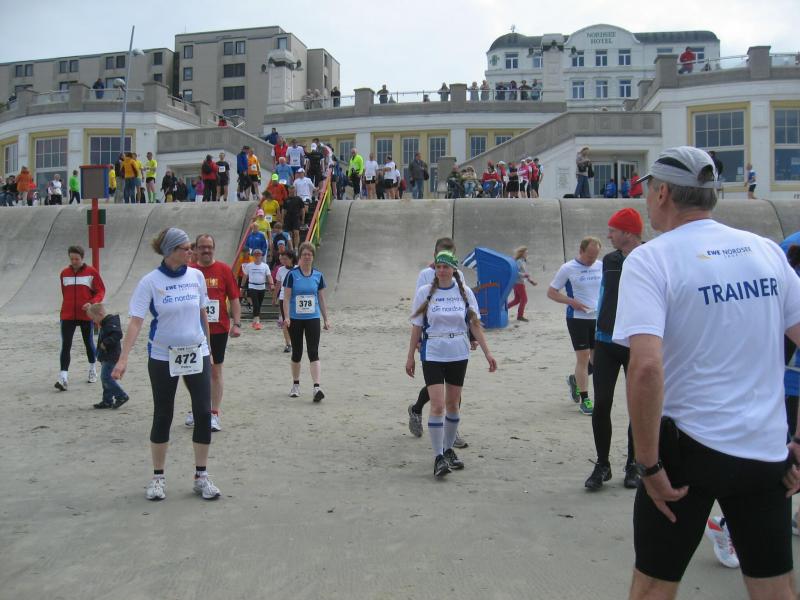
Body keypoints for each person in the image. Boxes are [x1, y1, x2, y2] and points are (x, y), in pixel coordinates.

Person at [613, 146, 800, 599]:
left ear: (662, 194)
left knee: (653, 586)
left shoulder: (651, 259)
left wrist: (648, 463)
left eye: (648, 191)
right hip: (764, 448)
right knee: (774, 587)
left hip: (686, 452)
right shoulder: (765, 251)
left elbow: (646, 368)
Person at [113, 228, 221, 502]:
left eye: (191, 247)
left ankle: (201, 476)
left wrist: (208, 350)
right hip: (163, 356)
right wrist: (123, 358)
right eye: (186, 248)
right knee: (163, 414)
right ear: (171, 251)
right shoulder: (150, 282)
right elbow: (136, 322)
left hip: (196, 352)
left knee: (203, 412)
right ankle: (158, 477)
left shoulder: (196, 276)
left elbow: (202, 314)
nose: (191, 251)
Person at [406, 250, 497, 478]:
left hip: (458, 352)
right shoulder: (424, 292)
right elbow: (416, 326)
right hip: (433, 352)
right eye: (438, 267)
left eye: (446, 267)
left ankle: (448, 450)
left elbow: (474, 324)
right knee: (437, 406)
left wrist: (488, 353)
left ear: (454, 269)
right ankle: (438, 456)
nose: (441, 270)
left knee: (453, 404)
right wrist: (409, 356)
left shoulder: (464, 292)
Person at [585, 208, 643, 491]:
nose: (608, 235)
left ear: (628, 233)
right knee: (602, 404)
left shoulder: (651, 257)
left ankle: (633, 464)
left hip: (637, 343)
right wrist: (594, 341)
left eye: (613, 230)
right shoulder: (610, 260)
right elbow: (603, 297)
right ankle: (603, 464)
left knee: (637, 406)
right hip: (607, 341)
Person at [187, 234, 242, 432]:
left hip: (218, 329)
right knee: (193, 372)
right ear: (196, 249)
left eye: (209, 247)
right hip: (193, 329)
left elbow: (234, 298)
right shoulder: (189, 271)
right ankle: (198, 408)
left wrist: (237, 323)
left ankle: (214, 413)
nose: (206, 250)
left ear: (214, 248)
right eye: (202, 247)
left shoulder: (224, 270)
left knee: (215, 371)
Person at [547, 237, 603, 414]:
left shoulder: (600, 265)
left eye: (595, 256)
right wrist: (572, 302)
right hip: (577, 318)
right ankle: (585, 400)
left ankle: (575, 379)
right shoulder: (568, 268)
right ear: (581, 251)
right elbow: (551, 293)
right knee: (583, 357)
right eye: (589, 256)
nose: (592, 260)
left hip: (598, 318)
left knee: (598, 360)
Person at [282, 242, 330, 402]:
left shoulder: (318, 276)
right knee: (297, 352)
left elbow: (321, 299)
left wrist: (326, 319)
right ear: (300, 257)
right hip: (295, 319)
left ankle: (317, 387)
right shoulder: (292, 275)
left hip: (313, 318)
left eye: (310, 254)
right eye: (304, 254)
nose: (307, 257)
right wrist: (286, 317)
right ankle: (295, 385)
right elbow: (286, 298)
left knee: (313, 352)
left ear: (313, 257)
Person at [56, 245, 106, 391]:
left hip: (86, 314)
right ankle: (63, 377)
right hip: (67, 315)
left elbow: (101, 291)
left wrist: (91, 302)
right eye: (71, 259)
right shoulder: (64, 273)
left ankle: (92, 369)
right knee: (66, 345)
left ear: (82, 258)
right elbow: (65, 293)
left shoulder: (91, 272)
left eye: (76, 259)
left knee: (88, 343)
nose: (74, 261)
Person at [86, 303, 128, 409]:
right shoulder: (105, 323)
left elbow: (118, 334)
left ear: (100, 314)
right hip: (106, 355)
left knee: (106, 377)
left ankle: (121, 396)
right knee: (106, 378)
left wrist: (106, 343)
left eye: (93, 318)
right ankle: (107, 400)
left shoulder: (110, 322)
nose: (93, 321)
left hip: (112, 356)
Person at [241, 248, 273, 330]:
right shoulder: (249, 266)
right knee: (256, 304)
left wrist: (271, 284)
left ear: (261, 256)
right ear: (253, 256)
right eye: (256, 255)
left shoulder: (265, 266)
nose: (257, 257)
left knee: (259, 304)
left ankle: (254, 320)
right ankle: (257, 322)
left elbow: (269, 276)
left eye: (259, 255)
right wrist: (242, 286)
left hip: (262, 287)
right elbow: (245, 276)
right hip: (252, 286)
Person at [507, 246, 538, 321]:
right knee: (524, 299)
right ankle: (520, 316)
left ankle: (503, 308)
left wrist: (531, 281)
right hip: (518, 283)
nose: (527, 254)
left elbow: (525, 273)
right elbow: (515, 272)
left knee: (517, 300)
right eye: (526, 253)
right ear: (522, 253)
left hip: (519, 283)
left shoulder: (523, 261)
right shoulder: (519, 261)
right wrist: (524, 275)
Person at [274, 250, 296, 352]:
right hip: (283, 298)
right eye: (282, 259)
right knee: (285, 321)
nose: (283, 261)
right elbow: (278, 285)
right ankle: (288, 344)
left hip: (295, 298)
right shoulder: (280, 270)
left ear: (291, 259)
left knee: (295, 322)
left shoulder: (298, 269)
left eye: (285, 259)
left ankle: (295, 341)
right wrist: (274, 297)